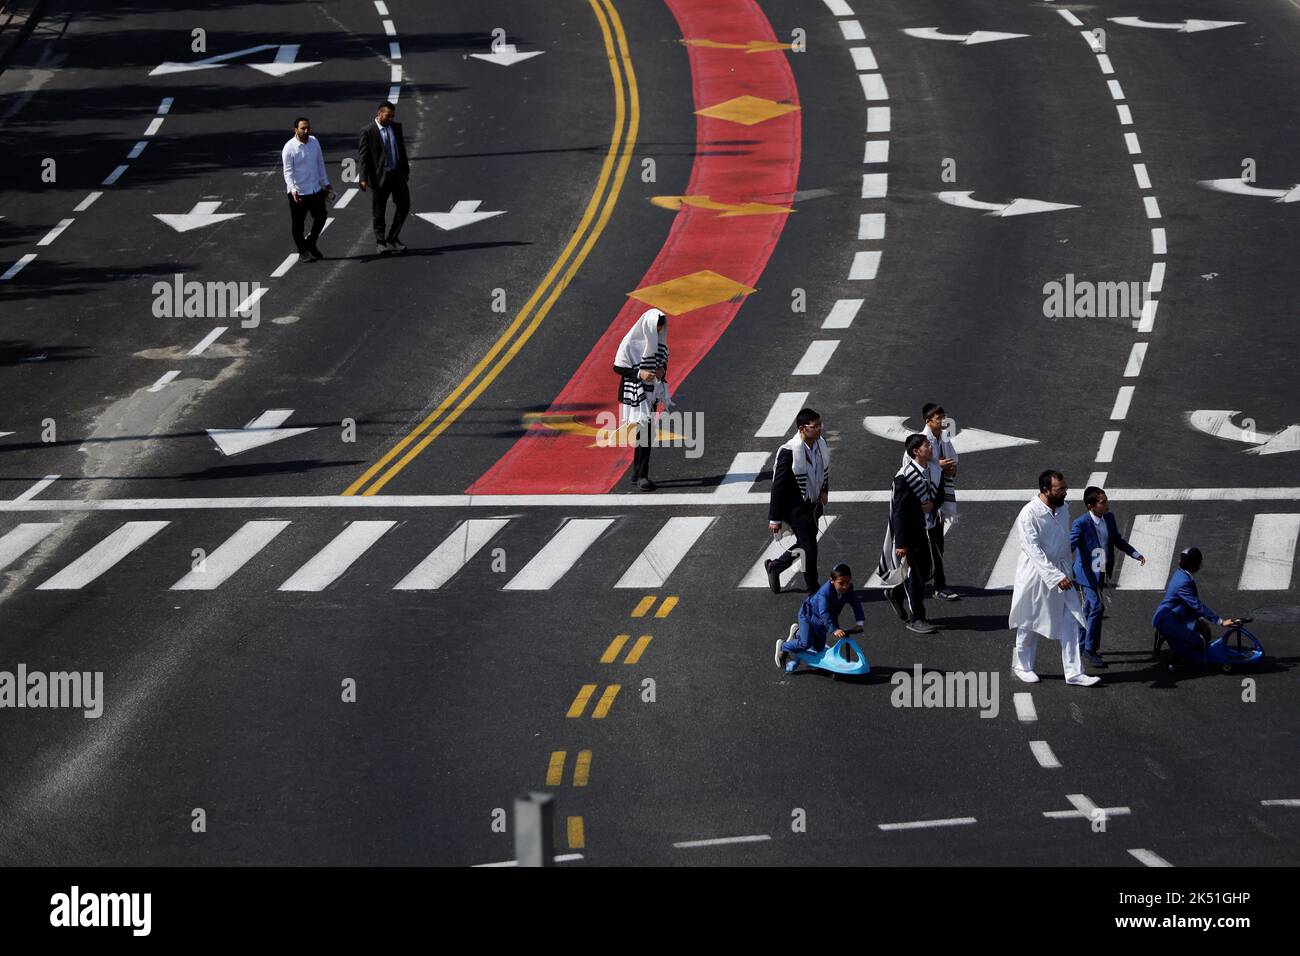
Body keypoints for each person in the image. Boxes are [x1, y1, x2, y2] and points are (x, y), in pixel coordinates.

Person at [1008, 470, 1099, 686]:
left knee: (1071, 620)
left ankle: (1075, 673)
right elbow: (1033, 550)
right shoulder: (1029, 514)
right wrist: (1056, 576)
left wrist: (1068, 572)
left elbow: (1064, 545)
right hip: (1036, 575)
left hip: (1062, 573)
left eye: (1065, 488)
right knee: (1029, 621)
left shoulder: (1063, 508)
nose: (1065, 493)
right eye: (1060, 490)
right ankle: (1023, 666)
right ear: (1045, 490)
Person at [1070, 486, 1145, 667]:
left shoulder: (1109, 518)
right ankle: (1090, 649)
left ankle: (1080, 643)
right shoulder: (1080, 524)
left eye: (1106, 500)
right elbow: (1069, 546)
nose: (1107, 504)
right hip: (1086, 575)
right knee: (1097, 608)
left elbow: (1117, 540)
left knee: (1088, 609)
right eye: (1103, 502)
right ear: (1091, 506)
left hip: (1102, 571)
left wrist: (1135, 554)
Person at [877, 434, 939, 633]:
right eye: (927, 446)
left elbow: (934, 495)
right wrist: (901, 543)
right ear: (916, 451)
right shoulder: (904, 477)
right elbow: (899, 512)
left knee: (925, 570)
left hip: (922, 529)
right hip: (909, 535)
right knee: (916, 576)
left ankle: (895, 592)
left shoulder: (928, 471)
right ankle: (917, 618)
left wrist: (934, 505)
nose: (931, 448)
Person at [766, 408, 829, 594]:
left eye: (820, 425)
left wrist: (824, 489)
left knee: (806, 545)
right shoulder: (789, 452)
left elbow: (823, 468)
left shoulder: (820, 445)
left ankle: (775, 566)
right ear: (802, 428)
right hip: (796, 508)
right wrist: (774, 519)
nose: (819, 429)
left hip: (813, 504)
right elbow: (777, 487)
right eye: (814, 426)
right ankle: (813, 589)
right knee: (810, 549)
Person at [613, 308, 669, 491]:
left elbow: (661, 361)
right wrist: (639, 373)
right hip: (635, 393)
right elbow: (619, 367)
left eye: (661, 328)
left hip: (651, 393)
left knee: (644, 432)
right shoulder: (630, 342)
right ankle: (642, 475)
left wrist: (662, 370)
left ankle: (637, 473)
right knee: (645, 432)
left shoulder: (658, 340)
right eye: (657, 329)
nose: (659, 332)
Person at [1152, 547, 1239, 655]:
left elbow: (1187, 604)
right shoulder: (1183, 582)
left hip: (1175, 615)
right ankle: (1177, 652)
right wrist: (1220, 622)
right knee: (1200, 641)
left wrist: (1198, 619)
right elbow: (1197, 605)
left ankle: (1171, 636)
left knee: (1204, 632)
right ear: (1196, 566)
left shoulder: (1181, 574)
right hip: (1167, 620)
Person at [775, 563, 864, 668]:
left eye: (848, 582)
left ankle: (798, 633)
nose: (845, 586)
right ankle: (783, 646)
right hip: (808, 616)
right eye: (841, 583)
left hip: (822, 622)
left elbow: (856, 603)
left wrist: (859, 623)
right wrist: (834, 629)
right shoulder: (824, 593)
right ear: (832, 580)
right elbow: (824, 613)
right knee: (805, 644)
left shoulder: (848, 589)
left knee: (818, 648)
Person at [358, 101, 411, 253]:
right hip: (378, 177)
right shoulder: (368, 131)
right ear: (379, 114)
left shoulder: (396, 127)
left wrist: (406, 171)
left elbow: (401, 149)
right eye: (388, 115)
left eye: (393, 116)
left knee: (404, 205)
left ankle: (393, 237)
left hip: (397, 174)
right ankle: (380, 242)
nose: (391, 119)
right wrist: (362, 178)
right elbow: (363, 156)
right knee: (379, 211)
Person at [921, 403, 960, 601]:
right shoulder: (922, 441)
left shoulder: (943, 437)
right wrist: (939, 464)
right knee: (931, 544)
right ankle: (937, 585)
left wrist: (951, 468)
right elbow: (918, 465)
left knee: (937, 542)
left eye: (943, 417)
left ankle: (936, 582)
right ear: (928, 421)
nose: (943, 421)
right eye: (938, 418)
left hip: (938, 495)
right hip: (926, 498)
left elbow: (953, 459)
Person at [281, 116, 332, 261]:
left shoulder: (314, 142)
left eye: (308, 127)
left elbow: (320, 163)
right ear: (296, 129)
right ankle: (303, 251)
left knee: (321, 217)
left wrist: (326, 183)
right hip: (299, 193)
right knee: (298, 223)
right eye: (303, 128)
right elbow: (288, 172)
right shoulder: (289, 148)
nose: (306, 130)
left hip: (315, 189)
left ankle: (310, 242)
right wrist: (293, 190)